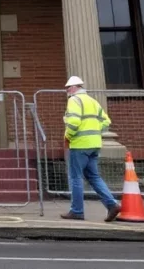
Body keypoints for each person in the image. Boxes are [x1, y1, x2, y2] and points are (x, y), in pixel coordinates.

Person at [61, 75, 120, 222]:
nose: (67, 91)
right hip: (94, 144)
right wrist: (94, 130)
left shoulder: (74, 100)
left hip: (79, 144)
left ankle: (77, 211)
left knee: (75, 177)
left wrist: (67, 136)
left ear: (74, 87)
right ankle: (112, 204)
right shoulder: (92, 101)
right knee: (94, 177)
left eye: (68, 88)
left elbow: (74, 122)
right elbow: (106, 121)